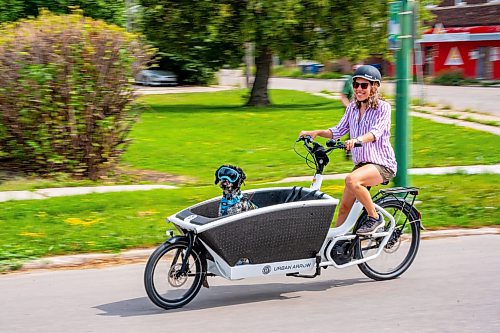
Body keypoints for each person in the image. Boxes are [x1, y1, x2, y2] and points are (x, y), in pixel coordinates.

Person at [299, 65, 397, 235]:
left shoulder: (383, 108)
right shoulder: (352, 108)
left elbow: (375, 133)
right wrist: (316, 133)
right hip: (362, 166)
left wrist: (357, 140)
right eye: (356, 85)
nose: (359, 89)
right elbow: (337, 131)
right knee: (344, 207)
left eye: (364, 85)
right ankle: (336, 246)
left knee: (351, 180)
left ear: (374, 87)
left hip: (382, 164)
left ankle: (374, 217)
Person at [340, 64, 362, 160]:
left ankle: (361, 154)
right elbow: (343, 96)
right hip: (352, 111)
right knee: (352, 133)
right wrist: (349, 107)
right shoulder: (349, 82)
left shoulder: (366, 81)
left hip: (363, 111)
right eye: (355, 70)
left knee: (362, 132)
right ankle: (348, 153)